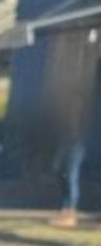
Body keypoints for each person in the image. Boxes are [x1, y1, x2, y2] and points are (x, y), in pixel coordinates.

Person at [53, 95, 89, 229]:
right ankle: (65, 209)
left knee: (71, 177)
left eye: (77, 103)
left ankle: (71, 212)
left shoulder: (83, 120)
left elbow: (83, 135)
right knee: (59, 172)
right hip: (66, 144)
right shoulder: (66, 118)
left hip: (77, 146)